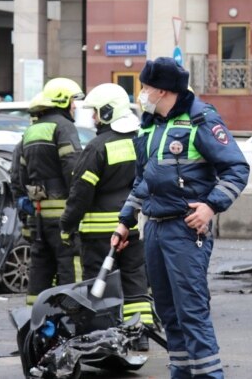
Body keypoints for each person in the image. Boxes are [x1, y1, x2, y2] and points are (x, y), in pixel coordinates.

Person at [112, 57, 249, 379]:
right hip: (156, 229)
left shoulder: (200, 120)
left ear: (161, 90)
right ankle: (182, 373)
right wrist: (125, 220)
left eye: (145, 87)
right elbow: (144, 180)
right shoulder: (151, 126)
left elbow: (237, 169)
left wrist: (210, 207)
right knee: (169, 312)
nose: (141, 93)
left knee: (192, 312)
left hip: (186, 230)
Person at [60, 83, 152, 347]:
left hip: (99, 234)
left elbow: (81, 192)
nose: (93, 118)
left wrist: (67, 224)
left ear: (109, 112)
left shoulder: (98, 147)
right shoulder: (140, 139)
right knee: (136, 282)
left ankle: (104, 338)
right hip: (133, 227)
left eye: (97, 112)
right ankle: (141, 335)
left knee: (99, 286)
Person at [11, 77, 84, 302]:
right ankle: (72, 316)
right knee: (70, 268)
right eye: (72, 101)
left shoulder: (31, 132)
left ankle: (36, 321)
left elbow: (17, 177)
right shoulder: (63, 127)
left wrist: (27, 211)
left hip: (39, 218)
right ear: (61, 101)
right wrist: (80, 204)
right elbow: (73, 169)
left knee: (40, 270)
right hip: (63, 216)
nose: (74, 106)